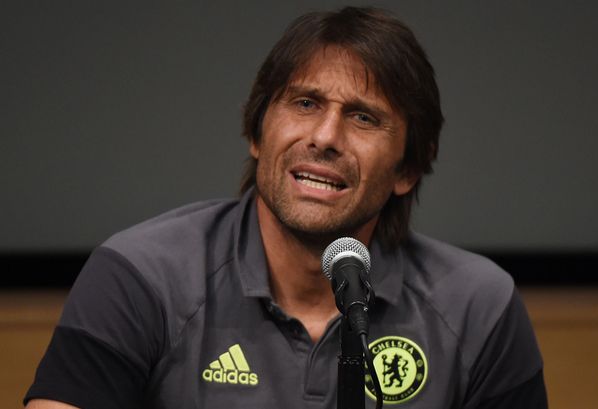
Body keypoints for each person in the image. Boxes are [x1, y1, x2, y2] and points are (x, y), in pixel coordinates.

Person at [24, 7, 547, 409]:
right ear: (257, 130)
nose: (325, 136)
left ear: (407, 170)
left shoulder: (479, 307)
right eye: (305, 103)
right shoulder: (139, 276)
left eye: (363, 118)